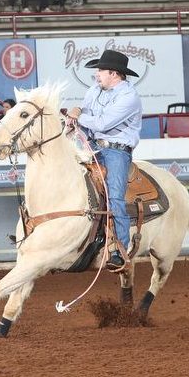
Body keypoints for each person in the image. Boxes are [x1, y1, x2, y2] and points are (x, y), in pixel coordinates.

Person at [66, 49, 143, 271]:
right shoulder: (94, 90)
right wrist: (74, 120)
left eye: (100, 71)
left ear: (114, 73)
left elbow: (101, 124)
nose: (97, 74)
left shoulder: (129, 97)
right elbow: (87, 116)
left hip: (116, 152)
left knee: (115, 196)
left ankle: (120, 250)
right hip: (92, 147)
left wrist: (78, 114)